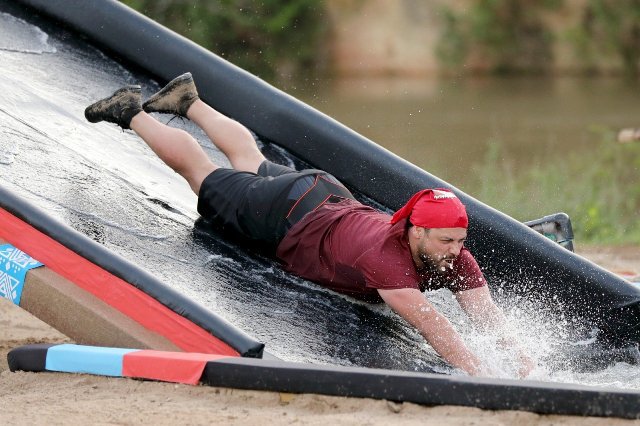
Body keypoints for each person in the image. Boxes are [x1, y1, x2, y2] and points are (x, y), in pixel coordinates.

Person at [85, 72, 535, 377]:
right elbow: (437, 328)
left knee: (251, 161)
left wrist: (525, 367)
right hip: (288, 211)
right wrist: (483, 379)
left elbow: (487, 318)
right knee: (202, 175)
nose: (455, 250)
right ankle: (133, 112)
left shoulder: (452, 252)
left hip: (322, 195)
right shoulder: (388, 262)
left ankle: (189, 101)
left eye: (460, 241)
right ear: (416, 231)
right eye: (446, 240)